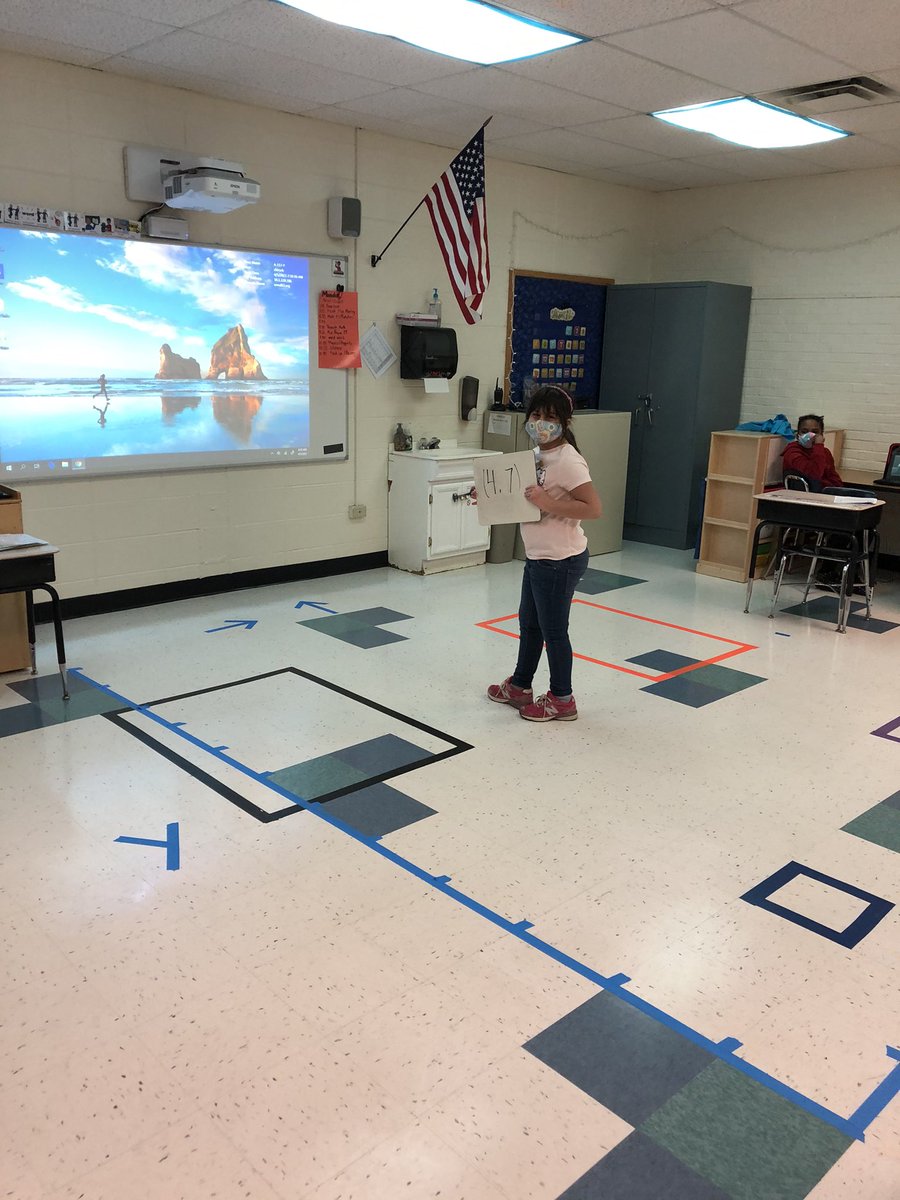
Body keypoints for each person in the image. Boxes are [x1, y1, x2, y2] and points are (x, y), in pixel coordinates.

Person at [487, 385, 601, 722]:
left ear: (565, 422)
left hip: (560, 559)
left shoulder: (568, 460)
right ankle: (521, 685)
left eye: (550, 418)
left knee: (553, 631)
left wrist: (547, 502)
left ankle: (562, 698)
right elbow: (521, 499)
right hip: (539, 556)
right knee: (530, 625)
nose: (541, 423)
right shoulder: (535, 456)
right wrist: (490, 499)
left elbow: (592, 508)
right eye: (536, 416)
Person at [782, 414, 842, 490]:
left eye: (815, 432)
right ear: (797, 435)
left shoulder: (825, 452)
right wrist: (818, 445)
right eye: (804, 431)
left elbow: (834, 478)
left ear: (821, 435)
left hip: (826, 492)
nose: (809, 435)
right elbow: (814, 474)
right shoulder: (792, 453)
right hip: (806, 494)